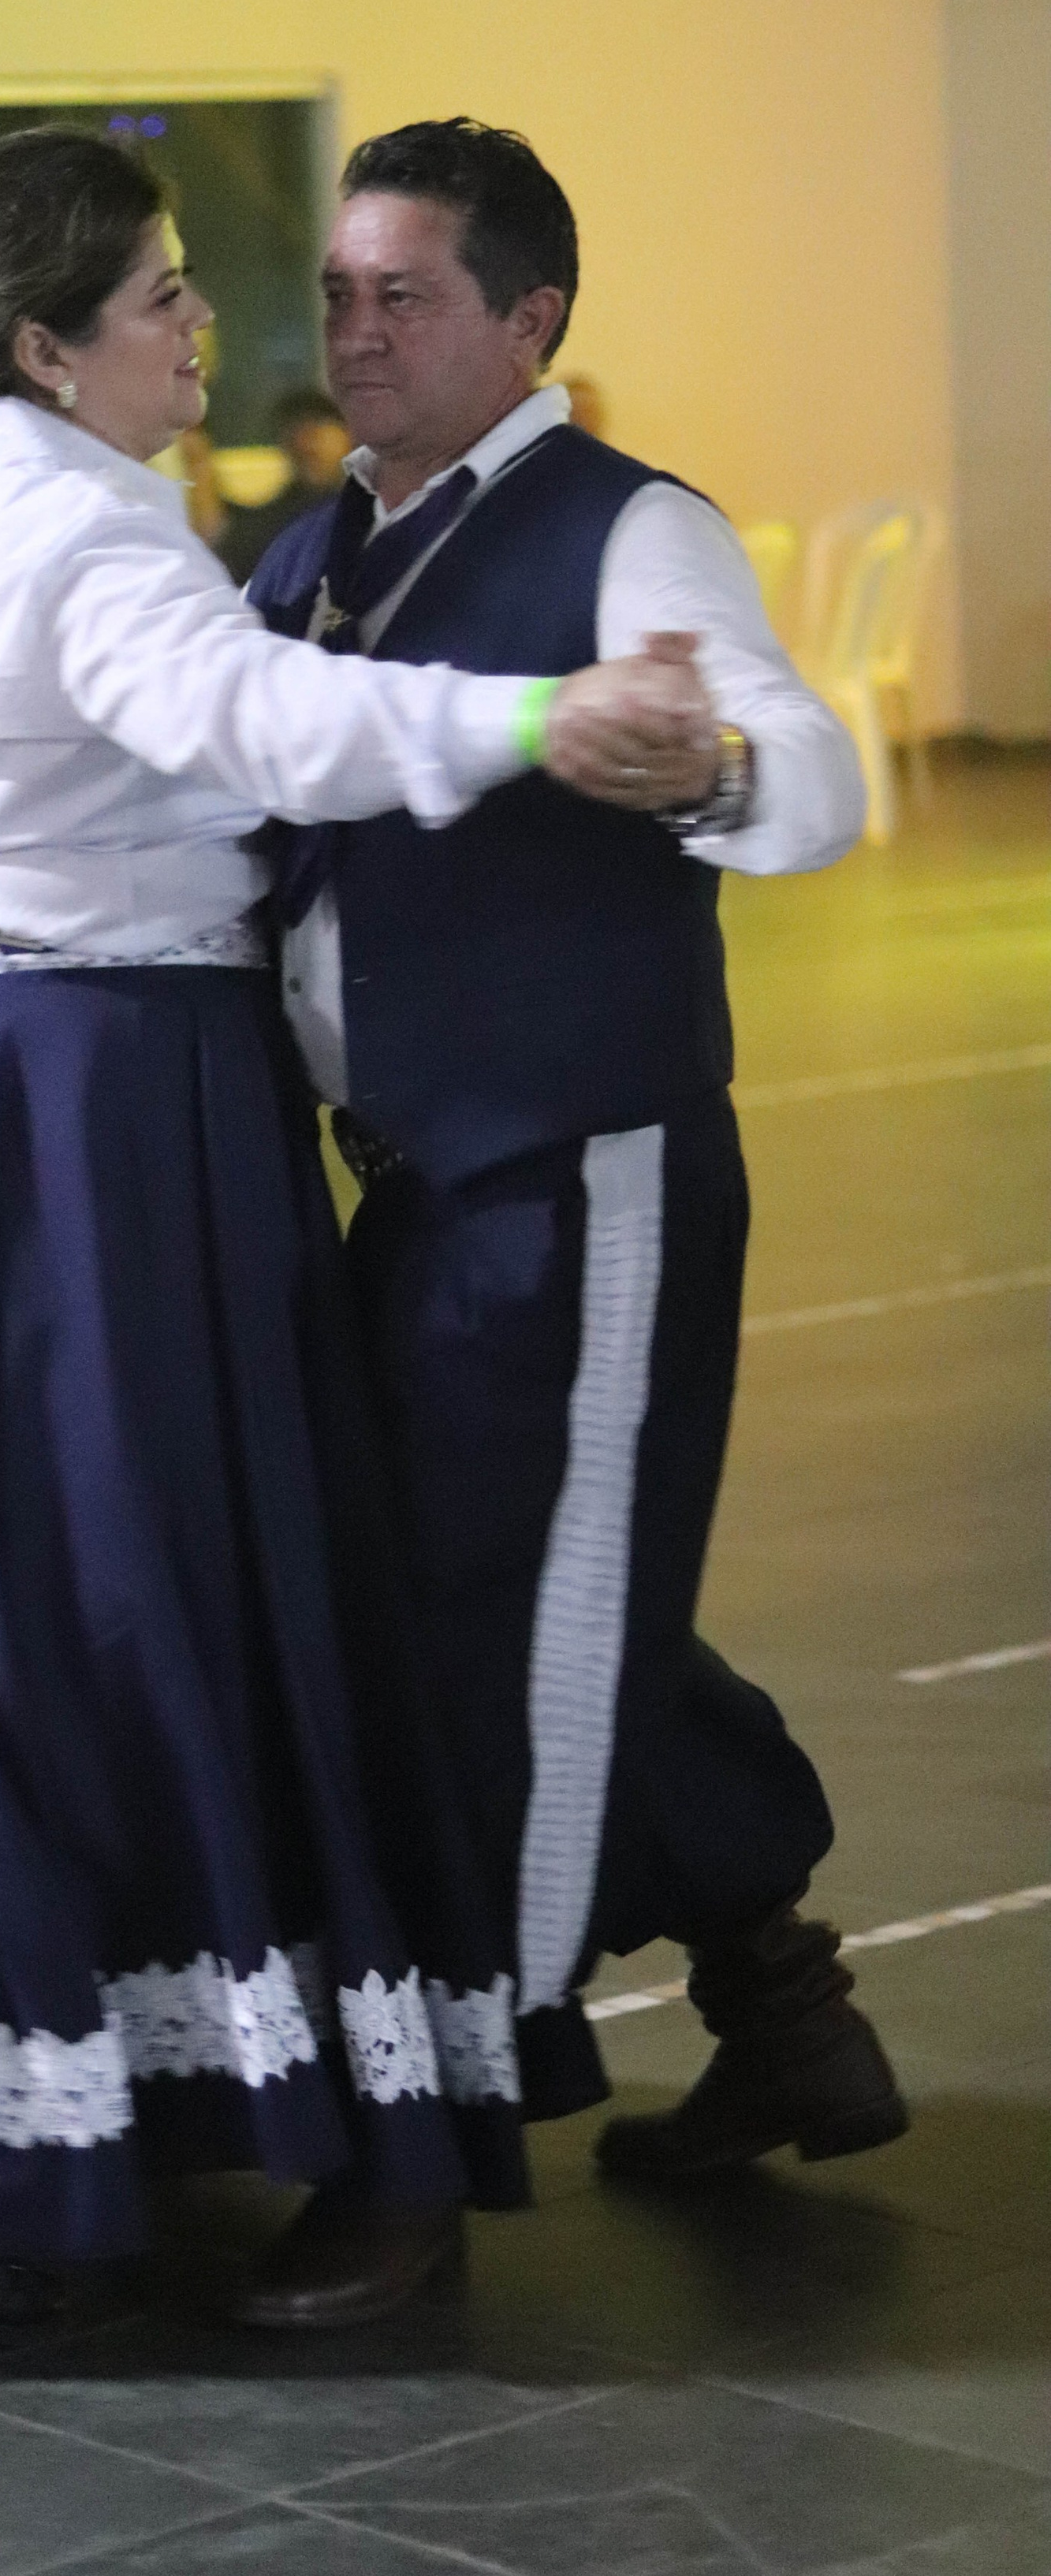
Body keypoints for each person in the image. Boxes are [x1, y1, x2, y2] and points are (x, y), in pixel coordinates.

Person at [0, 125, 717, 2343]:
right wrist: (552, 713)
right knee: (161, 1604)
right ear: (49, 347)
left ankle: (90, 2122)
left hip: (25, 1102)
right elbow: (253, 716)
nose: (207, 331)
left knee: (100, 1606)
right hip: (98, 1124)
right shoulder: (76, 518)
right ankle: (116, 2135)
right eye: (162, 298)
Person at [248, 118, 900, 2185]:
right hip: (421, 1172)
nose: (356, 332)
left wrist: (697, 762)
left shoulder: (632, 529)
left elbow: (817, 784)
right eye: (341, 293)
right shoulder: (314, 541)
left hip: (581, 1166)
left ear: (530, 324)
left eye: (405, 297)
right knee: (504, 1594)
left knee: (515, 1621)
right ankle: (784, 1999)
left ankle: (446, 2142)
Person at [218, 385, 354, 585]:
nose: (306, 445)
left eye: (316, 430)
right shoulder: (268, 526)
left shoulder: (376, 509)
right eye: (296, 432)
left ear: (348, 435)